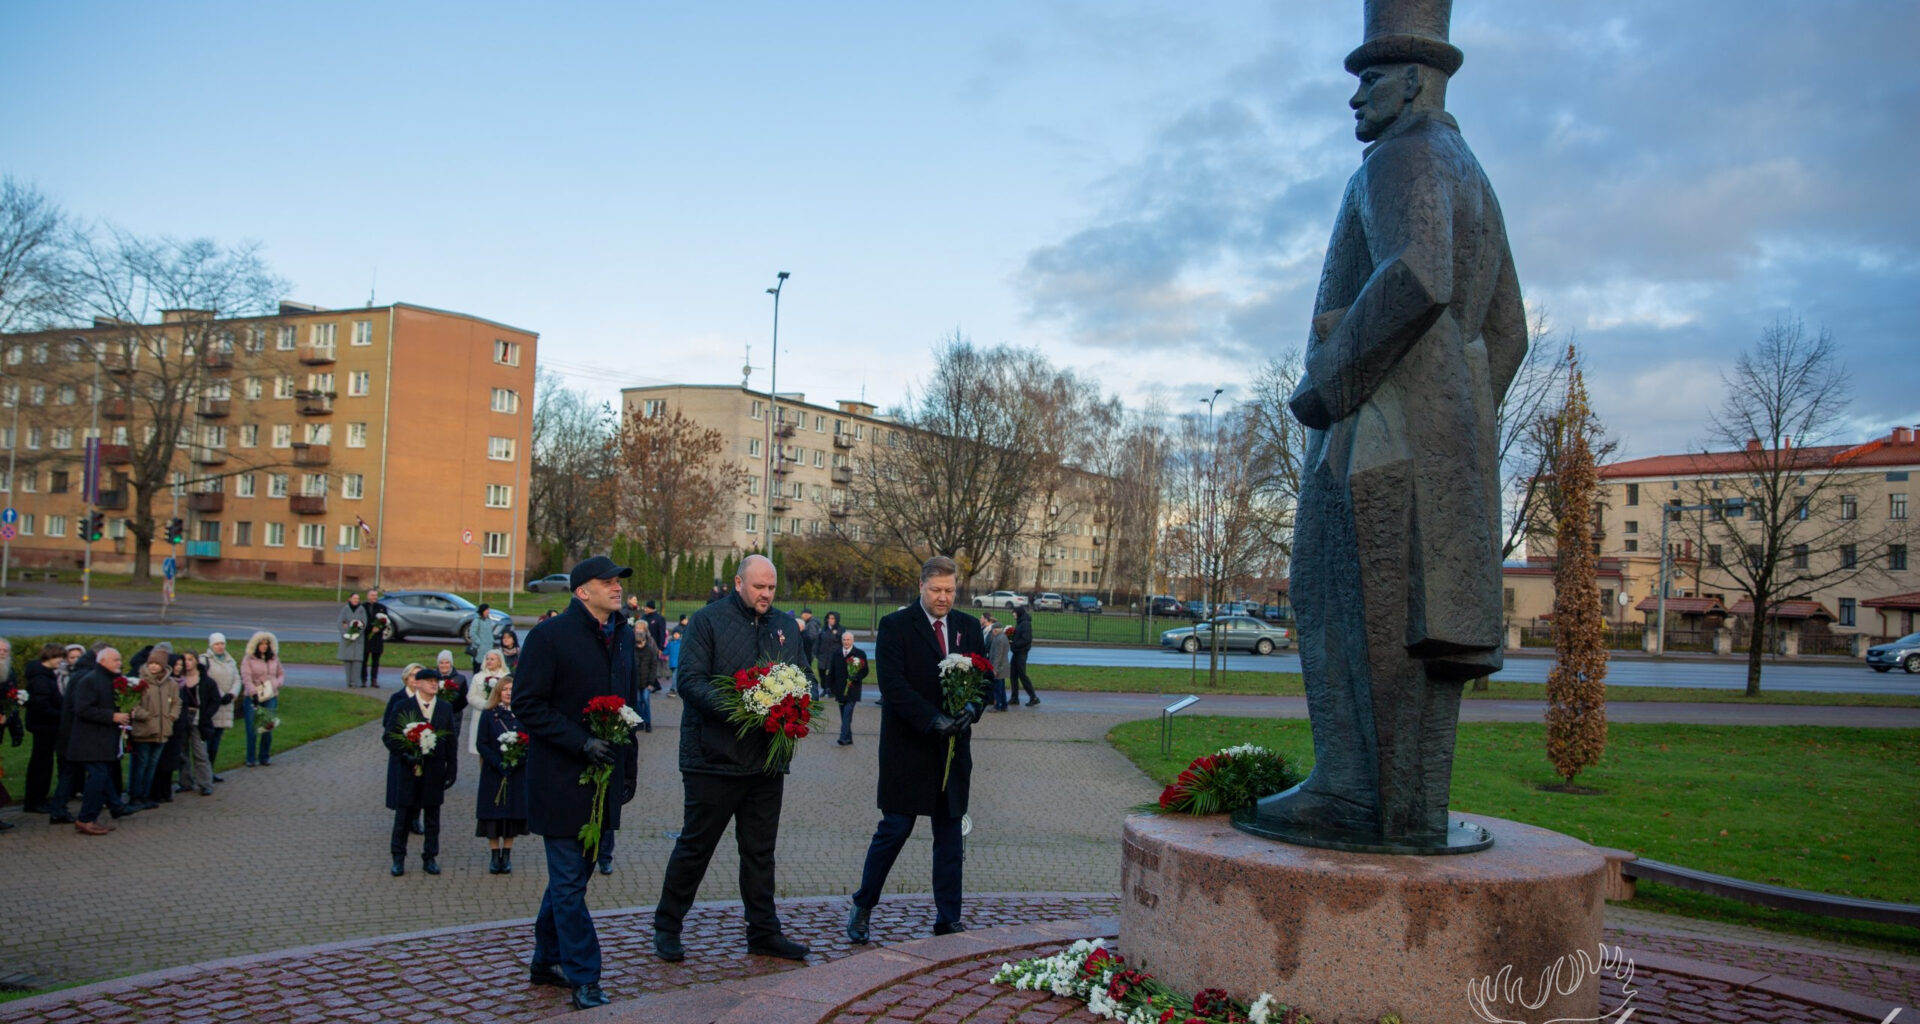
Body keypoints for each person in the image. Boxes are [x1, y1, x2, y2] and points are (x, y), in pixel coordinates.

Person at [1239, 4, 1527, 849]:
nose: (1355, 100)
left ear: (1413, 80)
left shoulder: (1400, 158)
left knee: (1338, 604)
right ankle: (1411, 809)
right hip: (1437, 449)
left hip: (1370, 439)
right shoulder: (1471, 171)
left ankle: (1356, 795)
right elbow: (1506, 330)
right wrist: (1459, 419)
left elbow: (1413, 275)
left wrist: (1328, 389)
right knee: (1418, 629)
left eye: (1369, 81)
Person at [653, 554, 813, 965]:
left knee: (760, 852)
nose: (765, 594)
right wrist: (747, 708)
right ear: (739, 582)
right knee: (696, 847)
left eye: (771, 588)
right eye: (759, 586)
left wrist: (794, 701)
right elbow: (688, 681)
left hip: (766, 761)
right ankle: (667, 927)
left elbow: (802, 674)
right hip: (713, 758)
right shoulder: (707, 621)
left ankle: (763, 932)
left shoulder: (783, 625)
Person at [512, 555, 642, 1011]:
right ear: (581, 591)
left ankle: (545, 960)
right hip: (560, 780)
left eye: (618, 580)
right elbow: (527, 704)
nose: (616, 586)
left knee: (572, 882)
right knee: (569, 883)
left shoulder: (621, 635)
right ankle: (585, 975)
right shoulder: (549, 637)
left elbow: (627, 708)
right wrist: (580, 742)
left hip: (604, 781)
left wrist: (629, 769)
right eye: (607, 581)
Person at [846, 556, 985, 944]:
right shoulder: (895, 626)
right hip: (908, 748)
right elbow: (892, 685)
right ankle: (863, 906)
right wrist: (931, 720)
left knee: (950, 838)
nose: (944, 598)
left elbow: (984, 680)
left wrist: (971, 710)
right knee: (895, 829)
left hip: (952, 752)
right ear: (921, 587)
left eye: (950, 591)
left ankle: (948, 918)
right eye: (937, 590)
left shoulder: (968, 627)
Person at [382, 664, 458, 876]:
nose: (434, 684)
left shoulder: (444, 708)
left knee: (433, 816)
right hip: (408, 770)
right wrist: (405, 753)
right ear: (418, 683)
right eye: (429, 681)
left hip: (434, 771)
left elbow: (451, 740)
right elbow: (389, 736)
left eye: (436, 682)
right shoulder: (402, 706)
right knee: (404, 815)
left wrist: (452, 769)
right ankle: (398, 857)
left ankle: (430, 856)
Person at [64, 646, 140, 834]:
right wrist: (112, 716)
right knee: (98, 776)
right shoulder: (89, 681)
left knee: (103, 775)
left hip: (104, 739)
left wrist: (127, 711)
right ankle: (85, 819)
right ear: (102, 661)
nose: (119, 663)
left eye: (120, 660)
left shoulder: (113, 681)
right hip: (89, 740)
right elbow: (81, 709)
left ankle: (110, 808)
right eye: (115, 660)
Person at [475, 675, 529, 874]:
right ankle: (493, 854)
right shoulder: (489, 714)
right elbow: (481, 742)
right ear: (498, 692)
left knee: (511, 813)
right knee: (493, 813)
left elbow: (530, 742)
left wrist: (517, 761)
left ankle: (506, 854)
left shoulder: (523, 714)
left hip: (516, 772)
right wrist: (498, 763)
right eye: (505, 689)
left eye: (512, 689)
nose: (508, 693)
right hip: (493, 771)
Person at [127, 649, 180, 810]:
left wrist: (171, 717)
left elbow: (177, 703)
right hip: (144, 731)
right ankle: (135, 795)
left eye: (157, 664)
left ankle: (145, 795)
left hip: (163, 731)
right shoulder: (140, 682)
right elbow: (132, 704)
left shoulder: (171, 684)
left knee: (152, 765)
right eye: (151, 663)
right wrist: (146, 716)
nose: (154, 667)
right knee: (141, 764)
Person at [23, 643, 66, 813]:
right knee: (41, 764)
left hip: (45, 725)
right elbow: (41, 706)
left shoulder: (45, 675)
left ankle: (37, 798)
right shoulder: (41, 679)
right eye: (58, 658)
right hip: (44, 727)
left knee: (43, 763)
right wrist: (61, 713)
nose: (60, 661)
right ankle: (35, 800)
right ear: (49, 657)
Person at [174, 652, 214, 796]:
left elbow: (214, 699)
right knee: (182, 752)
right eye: (185, 660)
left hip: (198, 719)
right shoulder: (179, 679)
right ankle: (185, 782)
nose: (187, 663)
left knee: (200, 752)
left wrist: (206, 714)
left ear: (196, 661)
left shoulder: (205, 680)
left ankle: (205, 783)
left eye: (190, 659)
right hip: (183, 718)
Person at [241, 631, 284, 766]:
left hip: (270, 695)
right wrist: (254, 692)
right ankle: (251, 758)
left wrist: (275, 684)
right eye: (262, 644)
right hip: (253, 696)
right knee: (252, 728)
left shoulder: (274, 658)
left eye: (267, 644)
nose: (264, 646)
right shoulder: (248, 659)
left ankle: (264, 756)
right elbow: (246, 678)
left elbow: (281, 674)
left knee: (267, 727)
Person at [820, 630, 868, 747]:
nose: (846, 642)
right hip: (840, 690)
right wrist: (828, 686)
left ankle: (843, 737)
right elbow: (831, 672)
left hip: (853, 690)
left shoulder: (859, 653)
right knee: (844, 716)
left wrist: (855, 677)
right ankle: (849, 737)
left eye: (848, 640)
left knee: (847, 714)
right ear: (842, 641)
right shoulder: (836, 653)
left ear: (853, 641)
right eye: (844, 640)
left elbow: (865, 670)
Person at [202, 633, 241, 780]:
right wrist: (218, 695)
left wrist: (232, 694)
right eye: (217, 644)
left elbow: (237, 679)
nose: (220, 647)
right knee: (207, 741)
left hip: (225, 706)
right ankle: (203, 773)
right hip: (211, 706)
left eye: (222, 644)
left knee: (216, 741)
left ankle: (210, 771)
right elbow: (207, 680)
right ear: (211, 645)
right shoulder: (205, 660)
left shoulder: (231, 661)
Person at [467, 650, 511, 755]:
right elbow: (471, 696)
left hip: (502, 715)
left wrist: (498, 704)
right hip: (481, 714)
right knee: (483, 750)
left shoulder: (507, 677)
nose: (489, 661)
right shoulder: (478, 677)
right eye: (487, 659)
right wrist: (487, 705)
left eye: (492, 659)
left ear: (500, 661)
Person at [1006, 605, 1038, 707]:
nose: (1013, 615)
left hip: (1021, 653)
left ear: (1019, 613)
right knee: (1013, 675)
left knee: (1022, 676)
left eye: (1014, 613)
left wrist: (1014, 644)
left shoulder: (1025, 624)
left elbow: (1026, 639)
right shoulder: (1020, 623)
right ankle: (1015, 697)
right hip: (1016, 653)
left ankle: (1033, 697)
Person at [630, 623, 657, 734]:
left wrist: (651, 682)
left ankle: (648, 722)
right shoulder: (633, 649)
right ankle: (640, 720)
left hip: (646, 681)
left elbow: (653, 666)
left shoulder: (650, 650)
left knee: (645, 700)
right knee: (637, 701)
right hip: (636, 681)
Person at [981, 612, 1011, 712]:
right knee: (1001, 688)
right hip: (1002, 667)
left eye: (993, 630)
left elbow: (998, 655)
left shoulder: (999, 639)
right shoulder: (1002, 637)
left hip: (999, 668)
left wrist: (994, 669)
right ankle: (1004, 705)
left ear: (996, 630)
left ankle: (998, 705)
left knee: (998, 688)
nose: (992, 632)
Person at [464, 603, 507, 673]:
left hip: (488, 647)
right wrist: (479, 642)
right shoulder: (477, 621)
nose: (488, 611)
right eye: (487, 610)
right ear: (482, 611)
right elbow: (472, 633)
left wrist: (492, 640)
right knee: (478, 667)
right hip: (479, 649)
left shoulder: (488, 620)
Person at [362, 588, 391, 688]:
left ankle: (374, 680)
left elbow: (386, 621)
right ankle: (363, 679)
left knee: (375, 661)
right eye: (372, 595)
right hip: (365, 637)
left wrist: (379, 628)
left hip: (377, 638)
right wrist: (369, 628)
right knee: (363, 660)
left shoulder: (382, 608)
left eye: (375, 595)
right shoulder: (362, 607)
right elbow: (360, 621)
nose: (374, 597)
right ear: (368, 596)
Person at [339, 592, 368, 688]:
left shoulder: (361, 609)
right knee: (347, 662)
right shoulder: (345, 609)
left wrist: (356, 632)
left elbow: (364, 623)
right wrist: (346, 633)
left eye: (358, 598)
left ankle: (355, 682)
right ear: (350, 599)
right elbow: (341, 623)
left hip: (358, 639)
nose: (356, 600)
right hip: (347, 640)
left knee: (357, 662)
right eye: (355, 598)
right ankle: (348, 682)